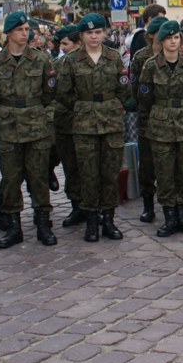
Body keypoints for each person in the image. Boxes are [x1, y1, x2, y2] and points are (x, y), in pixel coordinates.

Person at [57, 13, 130, 242]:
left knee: (110, 173)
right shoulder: (71, 60)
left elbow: (123, 89)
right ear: (82, 36)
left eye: (98, 32)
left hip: (110, 123)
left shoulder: (114, 57)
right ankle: (91, 221)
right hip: (84, 124)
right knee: (88, 174)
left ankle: (108, 220)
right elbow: (64, 93)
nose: (94, 36)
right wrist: (84, 106)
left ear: (104, 33)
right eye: (89, 33)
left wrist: (109, 105)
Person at [0, 11, 58, 248]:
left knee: (38, 176)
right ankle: (14, 227)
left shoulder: (41, 60)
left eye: (26, 29)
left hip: (36, 127)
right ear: (8, 33)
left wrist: (43, 118)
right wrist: (6, 114)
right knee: (11, 179)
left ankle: (43, 224)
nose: (25, 33)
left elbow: (50, 95)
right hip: (8, 129)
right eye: (19, 30)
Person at [138, 20, 183, 237]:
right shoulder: (150, 65)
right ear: (161, 41)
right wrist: (151, 122)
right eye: (169, 38)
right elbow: (145, 99)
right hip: (161, 126)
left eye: (176, 38)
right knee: (164, 173)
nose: (173, 42)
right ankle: (169, 217)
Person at [129, 15, 168, 223]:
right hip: (147, 118)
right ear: (151, 35)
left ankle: (171, 206)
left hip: (171, 119)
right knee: (147, 165)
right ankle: (148, 205)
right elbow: (135, 89)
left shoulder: (174, 56)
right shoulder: (140, 57)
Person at [52, 25, 85, 228]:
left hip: (87, 123)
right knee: (71, 167)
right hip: (65, 124)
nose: (62, 47)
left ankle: (93, 207)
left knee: (89, 167)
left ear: (78, 43)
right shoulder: (56, 65)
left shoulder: (90, 64)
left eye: (66, 43)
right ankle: (77, 206)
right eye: (60, 44)